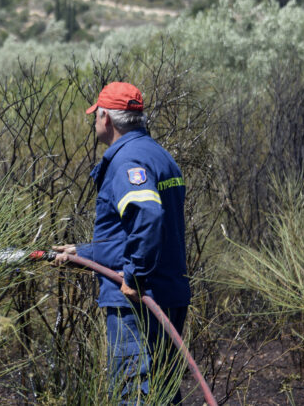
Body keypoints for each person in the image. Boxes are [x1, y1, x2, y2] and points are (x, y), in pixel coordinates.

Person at [53, 82, 191, 403]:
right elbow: (134, 234)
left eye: (95, 115)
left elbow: (148, 216)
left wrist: (135, 275)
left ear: (106, 118)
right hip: (168, 295)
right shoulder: (158, 155)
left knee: (135, 396)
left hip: (136, 306)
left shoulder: (126, 161)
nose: (95, 122)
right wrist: (85, 253)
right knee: (163, 394)